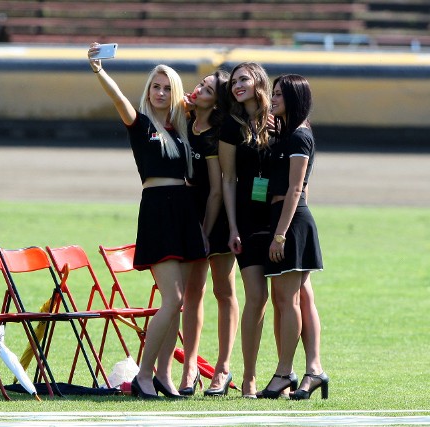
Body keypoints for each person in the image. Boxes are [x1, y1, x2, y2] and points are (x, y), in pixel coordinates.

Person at [88, 43, 206, 399]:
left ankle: (164, 375)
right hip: (157, 209)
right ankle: (144, 373)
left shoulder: (182, 127)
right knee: (172, 299)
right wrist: (99, 70)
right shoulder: (139, 124)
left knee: (181, 301)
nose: (160, 92)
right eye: (156, 86)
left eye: (168, 87)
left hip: (184, 210)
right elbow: (118, 98)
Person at [218, 61, 293, 398]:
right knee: (257, 297)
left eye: (243, 79)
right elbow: (228, 179)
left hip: (277, 218)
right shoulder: (231, 127)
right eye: (234, 81)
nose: (237, 86)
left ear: (259, 81)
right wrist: (232, 225)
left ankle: (284, 375)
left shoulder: (281, 123)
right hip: (247, 222)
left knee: (283, 299)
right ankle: (248, 378)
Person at [258, 74, 327, 399]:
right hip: (285, 219)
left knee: (286, 300)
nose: (273, 99)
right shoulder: (287, 134)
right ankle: (313, 370)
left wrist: (282, 235)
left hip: (290, 221)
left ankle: (284, 372)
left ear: (295, 98)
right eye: (273, 94)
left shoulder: (300, 135)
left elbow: (297, 188)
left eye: (279, 95)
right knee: (296, 298)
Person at [179, 70, 239, 397]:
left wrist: (205, 230)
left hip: (212, 220)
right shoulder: (184, 120)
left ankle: (223, 368)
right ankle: (190, 366)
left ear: (217, 100)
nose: (199, 88)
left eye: (208, 88)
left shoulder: (217, 134)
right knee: (192, 294)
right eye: (201, 83)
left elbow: (217, 190)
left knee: (223, 291)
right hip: (187, 217)